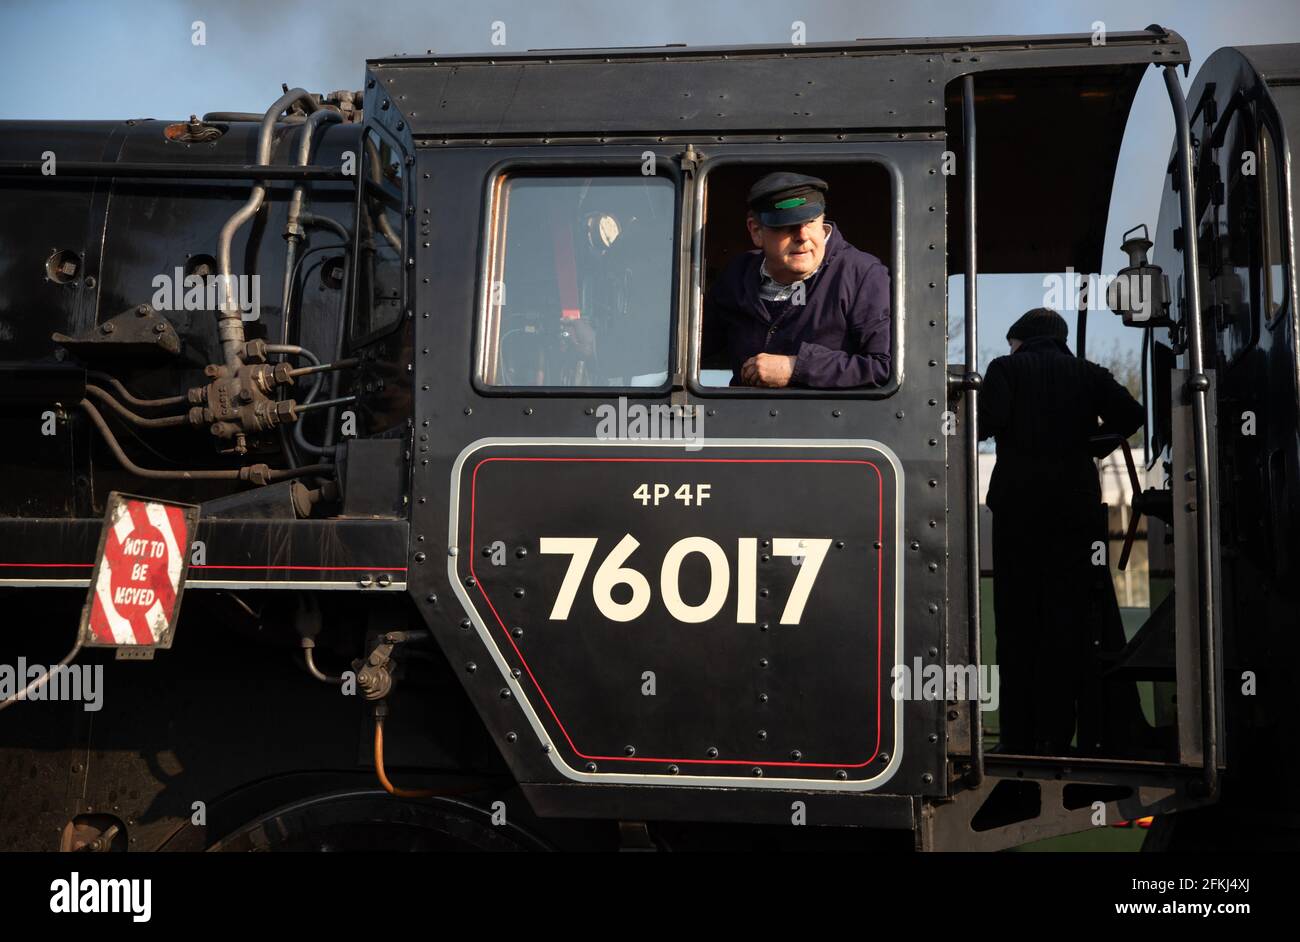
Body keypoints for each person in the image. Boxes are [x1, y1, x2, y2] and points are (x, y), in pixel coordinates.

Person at [979, 308, 1146, 756]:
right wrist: (1091, 446)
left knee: (1017, 623)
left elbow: (984, 423)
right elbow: (1132, 414)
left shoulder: (1005, 368)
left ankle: (1020, 737)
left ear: (1020, 339)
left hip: (1019, 512)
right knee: (1074, 621)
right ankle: (1074, 734)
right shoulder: (1087, 373)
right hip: (1076, 510)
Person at [701, 172, 890, 388]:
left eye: (810, 222)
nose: (802, 236)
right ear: (756, 231)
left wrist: (797, 368)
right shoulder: (736, 276)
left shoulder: (863, 275)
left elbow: (883, 367)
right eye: (786, 225)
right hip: (747, 418)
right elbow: (690, 347)